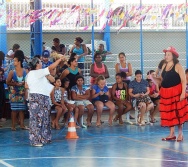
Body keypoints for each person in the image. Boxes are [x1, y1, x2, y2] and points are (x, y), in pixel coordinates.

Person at [25, 56, 64, 147]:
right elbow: (50, 68)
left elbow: (53, 79)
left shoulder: (41, 73)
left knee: (45, 118)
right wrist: (59, 60)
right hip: (37, 97)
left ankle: (44, 138)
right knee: (36, 119)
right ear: (37, 64)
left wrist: (47, 74)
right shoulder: (35, 72)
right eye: (40, 62)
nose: (41, 63)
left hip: (44, 97)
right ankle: (35, 140)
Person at [151, 46, 188, 142]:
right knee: (169, 113)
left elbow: (184, 80)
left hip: (176, 92)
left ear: (173, 56)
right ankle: (172, 134)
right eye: (165, 54)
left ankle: (180, 134)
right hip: (166, 92)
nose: (166, 56)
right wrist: (152, 78)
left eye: (168, 54)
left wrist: (183, 93)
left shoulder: (178, 66)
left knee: (178, 113)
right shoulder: (164, 66)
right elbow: (160, 80)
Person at [6, 50, 28, 131]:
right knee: (14, 110)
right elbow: (7, 82)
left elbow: (27, 82)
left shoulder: (25, 71)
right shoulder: (12, 72)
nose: (13, 62)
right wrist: (15, 84)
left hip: (22, 93)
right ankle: (13, 126)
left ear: (19, 61)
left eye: (15, 60)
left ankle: (22, 125)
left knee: (22, 110)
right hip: (14, 93)